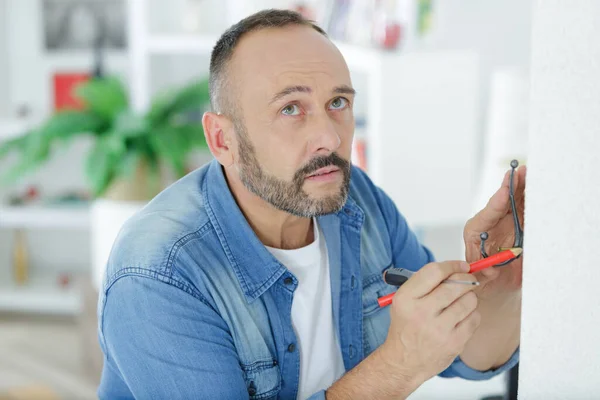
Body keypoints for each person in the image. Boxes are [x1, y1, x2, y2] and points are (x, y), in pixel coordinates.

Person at [97, 9, 524, 400]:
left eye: (338, 102)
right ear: (222, 140)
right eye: (291, 108)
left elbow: (467, 355)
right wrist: (397, 366)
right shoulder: (157, 273)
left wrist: (502, 286)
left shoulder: (359, 202)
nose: (331, 138)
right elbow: (407, 364)